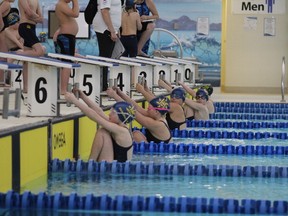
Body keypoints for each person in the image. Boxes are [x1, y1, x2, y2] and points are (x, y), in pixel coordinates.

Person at [65, 89, 136, 162]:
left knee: (102, 132)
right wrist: (83, 97)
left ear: (121, 117)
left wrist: (74, 101)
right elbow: (99, 111)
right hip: (113, 166)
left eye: (113, 112)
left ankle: (90, 163)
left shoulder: (121, 131)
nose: (109, 114)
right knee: (103, 131)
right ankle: (91, 163)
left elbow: (95, 117)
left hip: (115, 169)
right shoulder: (119, 124)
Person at [107, 87, 172, 144]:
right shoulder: (159, 117)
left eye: (149, 108)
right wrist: (120, 93)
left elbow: (130, 110)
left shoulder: (157, 124)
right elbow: (136, 107)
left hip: (156, 155)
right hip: (156, 149)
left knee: (136, 135)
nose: (147, 109)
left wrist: (114, 96)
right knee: (136, 134)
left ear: (156, 112)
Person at [17, 0, 46, 93]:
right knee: (40, 51)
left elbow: (41, 19)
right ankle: (18, 54)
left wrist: (33, 17)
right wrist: (36, 17)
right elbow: (28, 13)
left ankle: (26, 88)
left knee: (26, 61)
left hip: (32, 28)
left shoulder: (36, 1)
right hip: (25, 27)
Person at [92, 0, 122, 91]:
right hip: (104, 28)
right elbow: (104, 11)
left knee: (107, 58)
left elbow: (114, 11)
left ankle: (104, 84)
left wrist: (116, 29)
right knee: (105, 58)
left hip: (109, 28)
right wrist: (112, 30)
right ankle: (102, 86)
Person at [55, 0, 79, 95]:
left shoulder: (64, 5)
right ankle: (63, 89)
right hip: (66, 37)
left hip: (68, 36)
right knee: (67, 63)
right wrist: (75, 2)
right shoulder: (61, 4)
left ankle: (63, 88)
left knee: (67, 63)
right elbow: (76, 13)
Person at [0, 0, 15, 85]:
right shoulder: (6, 3)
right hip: (2, 32)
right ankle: (1, 81)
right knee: (3, 57)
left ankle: (2, 80)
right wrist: (1, 24)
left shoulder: (3, 2)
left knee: (2, 57)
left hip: (2, 32)